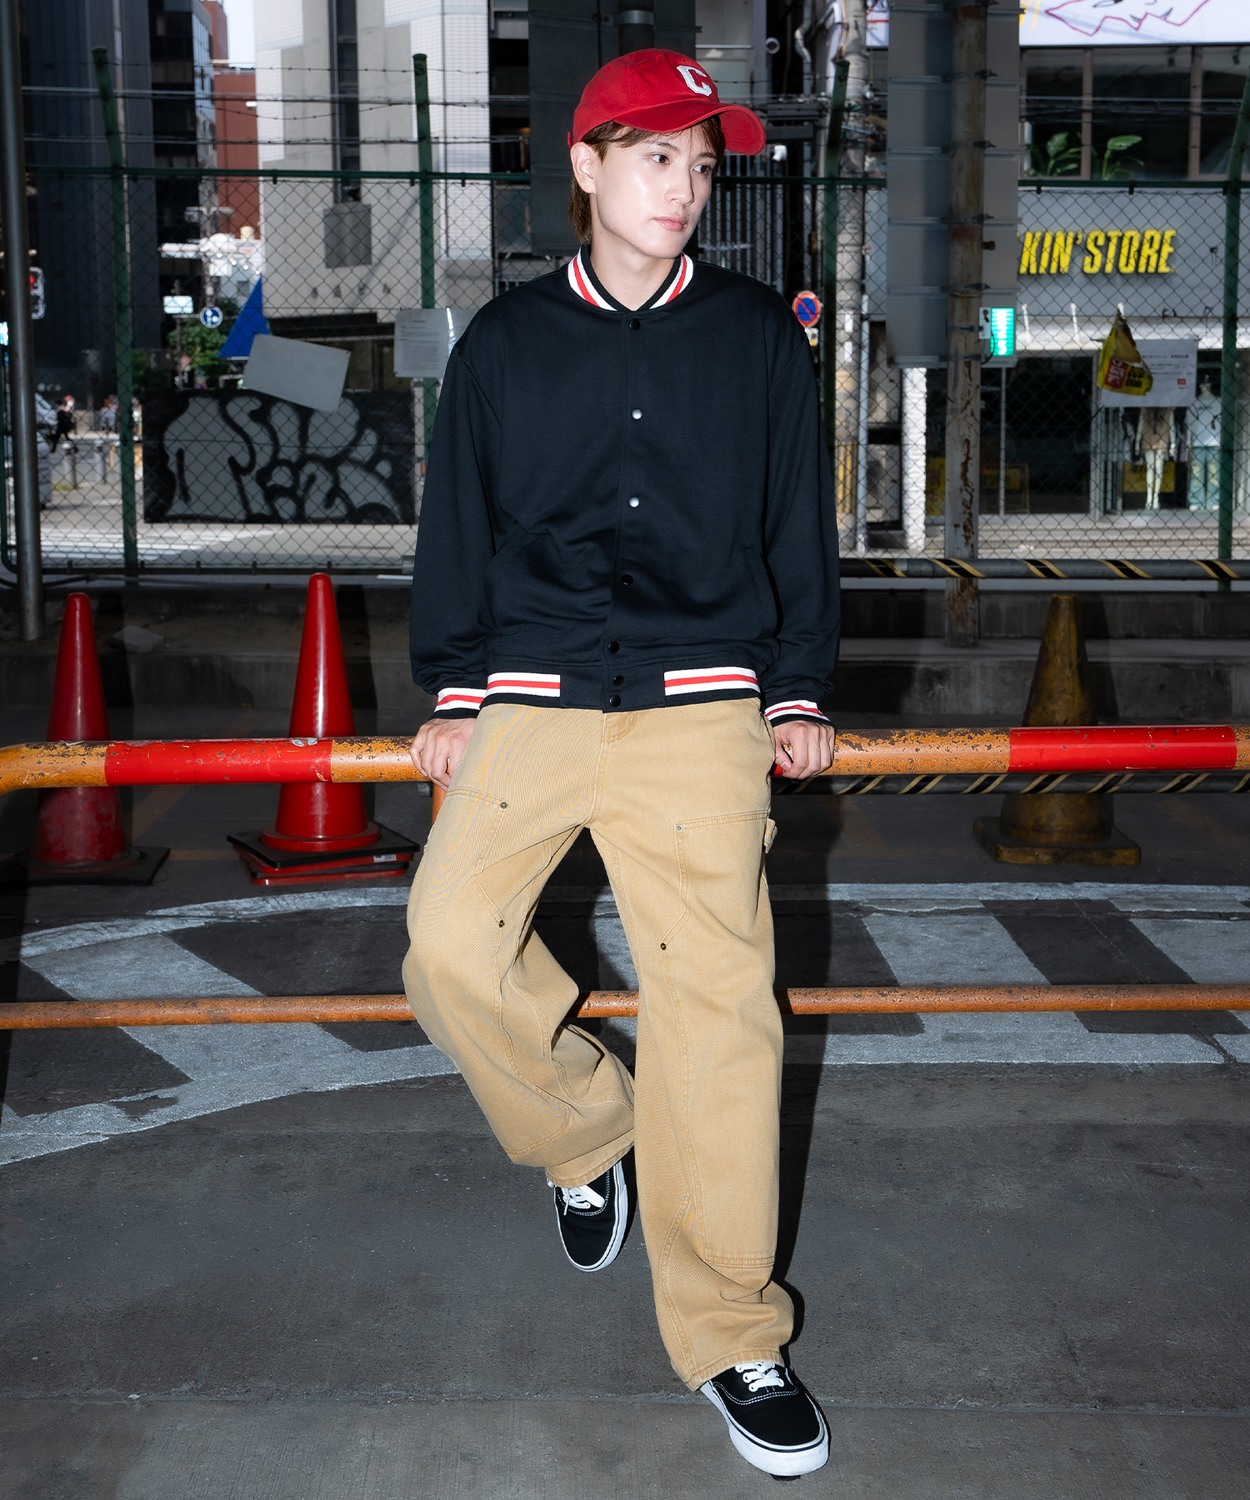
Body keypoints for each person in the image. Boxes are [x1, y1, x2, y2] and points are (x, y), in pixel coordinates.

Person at [403, 49, 839, 1479]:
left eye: (701, 164)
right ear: (585, 166)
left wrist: (796, 687)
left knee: (719, 1014)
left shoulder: (757, 337)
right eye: (657, 157)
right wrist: (454, 686)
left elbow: (795, 523)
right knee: (447, 946)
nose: (685, 186)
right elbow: (459, 524)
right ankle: (588, 1128)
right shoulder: (506, 343)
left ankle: (732, 1334)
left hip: (701, 704)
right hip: (531, 694)